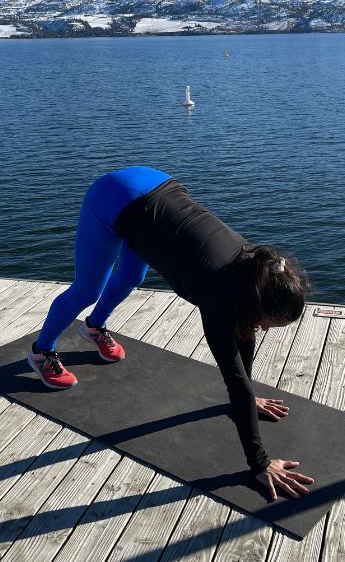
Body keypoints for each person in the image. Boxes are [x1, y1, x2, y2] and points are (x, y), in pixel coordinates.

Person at [27, 166, 314, 500]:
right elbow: (233, 375)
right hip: (114, 198)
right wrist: (259, 463)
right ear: (257, 304)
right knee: (88, 289)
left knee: (131, 279)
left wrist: (247, 398)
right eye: (267, 323)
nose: (263, 329)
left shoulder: (256, 272)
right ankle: (41, 350)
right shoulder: (218, 296)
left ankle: (94, 327)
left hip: (157, 193)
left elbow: (245, 334)